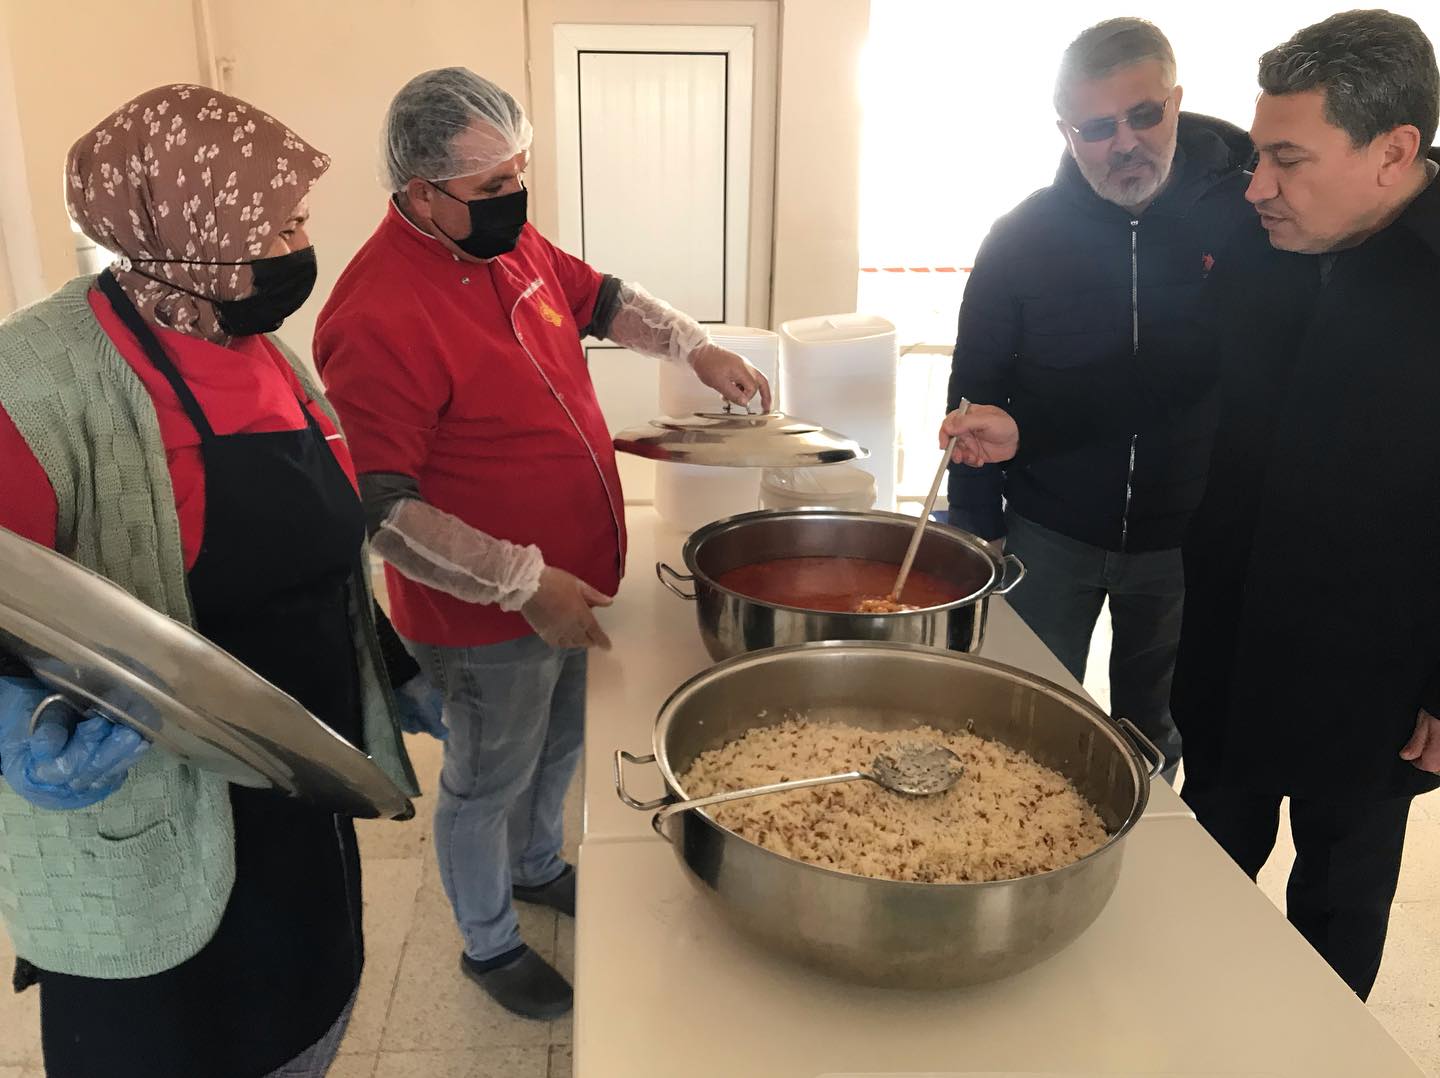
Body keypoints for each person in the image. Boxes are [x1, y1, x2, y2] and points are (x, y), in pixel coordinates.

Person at [938, 9, 1440, 999]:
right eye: (1257, 155)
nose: (1255, 186)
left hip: (1373, 675)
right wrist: (1023, 428)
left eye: (1287, 160)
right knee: (1206, 867)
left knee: (1341, 896)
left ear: (1392, 152)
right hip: (1232, 634)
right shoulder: (1263, 243)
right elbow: (1164, 373)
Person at [313, 67, 770, 1020]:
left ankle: (533, 867)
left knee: (560, 744)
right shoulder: (374, 314)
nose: (514, 198)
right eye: (491, 187)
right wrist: (523, 584)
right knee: (487, 777)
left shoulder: (508, 247)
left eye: (522, 173)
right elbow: (385, 512)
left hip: (573, 583)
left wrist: (694, 345)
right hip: (484, 615)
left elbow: (606, 298)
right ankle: (488, 942)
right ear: (418, 193)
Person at [0, 85, 436, 1077]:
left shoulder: (258, 348)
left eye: (299, 223)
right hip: (145, 842)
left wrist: (396, 667)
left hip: (293, 804)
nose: (297, 249)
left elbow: (308, 556)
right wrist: (11, 725)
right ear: (187, 229)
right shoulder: (32, 382)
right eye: (275, 227)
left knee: (304, 1028)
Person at [946, 18, 1253, 780]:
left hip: (1187, 538)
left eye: (1144, 114)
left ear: (1176, 101)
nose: (1124, 142)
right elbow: (975, 390)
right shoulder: (1021, 237)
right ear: (1066, 131)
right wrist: (980, 529)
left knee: (1158, 734)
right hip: (1051, 534)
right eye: (1097, 126)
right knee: (1026, 726)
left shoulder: (1246, 219)